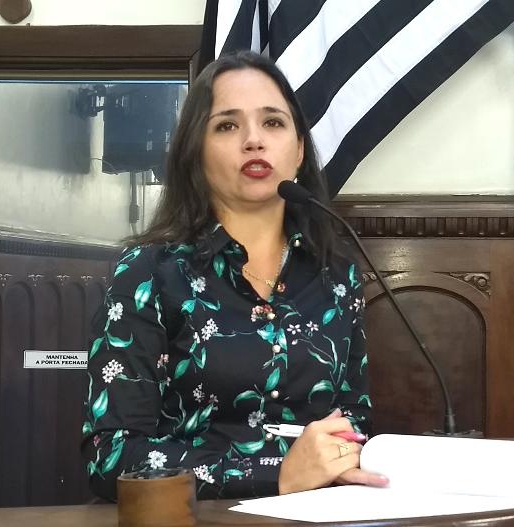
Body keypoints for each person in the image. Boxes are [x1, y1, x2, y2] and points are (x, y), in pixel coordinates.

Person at [81, 50, 387, 500]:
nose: (253, 141)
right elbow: (111, 457)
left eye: (273, 122)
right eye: (227, 125)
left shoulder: (337, 274)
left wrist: (338, 458)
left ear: (299, 151)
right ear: (196, 152)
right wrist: (276, 474)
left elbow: (353, 418)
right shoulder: (147, 274)